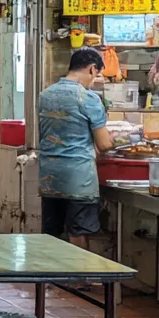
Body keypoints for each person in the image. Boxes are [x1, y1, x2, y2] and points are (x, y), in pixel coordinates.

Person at [37, 47, 114, 246]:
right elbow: (104, 143)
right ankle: (79, 277)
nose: (94, 80)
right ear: (92, 69)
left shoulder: (45, 95)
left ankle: (49, 276)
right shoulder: (88, 98)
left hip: (49, 177)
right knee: (77, 232)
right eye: (96, 75)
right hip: (78, 179)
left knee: (51, 234)